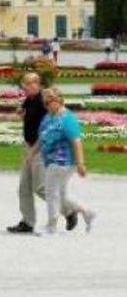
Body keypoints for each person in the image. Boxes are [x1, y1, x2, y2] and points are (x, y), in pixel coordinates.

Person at [7, 73, 77, 233]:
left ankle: (69, 211)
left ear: (38, 84)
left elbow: (52, 122)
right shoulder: (29, 99)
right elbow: (25, 110)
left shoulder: (42, 101)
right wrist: (21, 111)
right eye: (27, 83)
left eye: (33, 83)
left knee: (40, 187)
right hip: (28, 147)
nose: (30, 86)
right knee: (24, 187)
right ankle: (27, 222)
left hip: (40, 148)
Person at [29, 89, 95, 234]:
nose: (46, 106)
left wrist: (80, 164)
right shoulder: (47, 118)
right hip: (51, 161)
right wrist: (32, 154)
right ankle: (88, 212)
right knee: (62, 195)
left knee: (51, 192)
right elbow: (41, 138)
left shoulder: (67, 118)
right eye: (44, 103)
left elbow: (76, 142)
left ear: (58, 100)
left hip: (62, 161)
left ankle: (51, 226)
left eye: (48, 102)